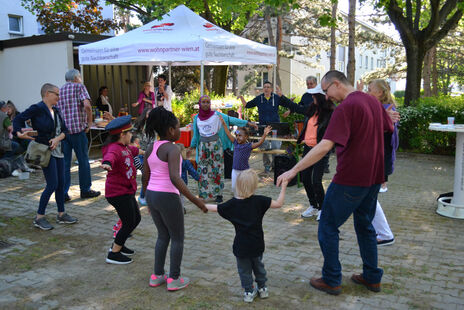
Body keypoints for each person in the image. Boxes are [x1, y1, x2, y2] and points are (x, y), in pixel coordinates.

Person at [277, 70, 395, 295]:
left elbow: (323, 146)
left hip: (350, 179)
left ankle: (331, 279)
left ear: (336, 84)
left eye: (326, 90)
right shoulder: (372, 101)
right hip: (373, 178)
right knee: (365, 226)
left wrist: (293, 170)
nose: (327, 96)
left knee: (328, 226)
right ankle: (372, 277)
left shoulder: (347, 107)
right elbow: (388, 128)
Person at [143, 107, 208, 291]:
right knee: (177, 237)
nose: (180, 131)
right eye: (179, 128)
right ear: (171, 130)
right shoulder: (172, 149)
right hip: (168, 196)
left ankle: (157, 275)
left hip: (152, 195)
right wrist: (196, 201)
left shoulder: (150, 147)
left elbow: (144, 176)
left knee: (163, 235)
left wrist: (147, 199)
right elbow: (174, 177)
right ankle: (174, 278)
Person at [205, 169, 289, 303]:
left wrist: (200, 204)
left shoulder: (232, 204)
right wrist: (284, 186)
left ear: (238, 184)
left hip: (241, 246)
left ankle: (249, 292)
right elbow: (279, 204)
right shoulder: (259, 201)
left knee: (244, 270)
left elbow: (215, 208)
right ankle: (263, 288)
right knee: (259, 266)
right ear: (254, 186)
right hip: (257, 243)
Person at [13, 83, 78, 230]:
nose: (59, 97)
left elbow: (65, 131)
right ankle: (39, 217)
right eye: (57, 94)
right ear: (47, 94)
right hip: (45, 151)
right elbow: (17, 119)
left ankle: (61, 214)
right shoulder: (37, 108)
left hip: (58, 151)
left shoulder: (56, 110)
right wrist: (18, 133)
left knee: (61, 184)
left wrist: (57, 139)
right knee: (52, 184)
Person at [276, 84, 335, 220]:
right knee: (306, 177)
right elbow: (297, 108)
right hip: (308, 148)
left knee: (316, 180)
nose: (312, 97)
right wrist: (282, 97)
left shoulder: (331, 112)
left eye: (314, 95)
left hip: (320, 149)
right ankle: (313, 206)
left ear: (320, 97)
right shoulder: (312, 108)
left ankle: (322, 208)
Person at [190, 95, 257, 203]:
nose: (206, 104)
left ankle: (218, 194)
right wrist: (192, 146)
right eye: (204, 102)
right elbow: (196, 135)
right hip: (203, 147)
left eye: (208, 102)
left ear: (210, 104)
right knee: (202, 170)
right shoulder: (196, 118)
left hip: (216, 146)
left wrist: (248, 123)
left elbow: (232, 120)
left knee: (217, 169)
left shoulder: (217, 115)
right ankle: (203, 194)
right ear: (200, 104)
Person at [101, 115, 141, 264]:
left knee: (135, 219)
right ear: (122, 134)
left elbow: (134, 151)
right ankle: (114, 253)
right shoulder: (114, 149)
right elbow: (110, 156)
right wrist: (106, 163)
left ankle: (120, 243)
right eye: (130, 133)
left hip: (127, 190)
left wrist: (147, 151)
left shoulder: (124, 147)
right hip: (117, 193)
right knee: (129, 222)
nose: (132, 135)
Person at [365, 79, 399, 246]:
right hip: (376, 160)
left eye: (370, 89)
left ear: (379, 92)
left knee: (369, 198)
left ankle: (385, 234)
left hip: (377, 161)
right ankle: (382, 233)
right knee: (368, 198)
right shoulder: (382, 109)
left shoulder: (387, 110)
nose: (367, 91)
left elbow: (385, 140)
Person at [58, 69, 101, 202]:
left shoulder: (60, 90)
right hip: (78, 131)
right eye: (80, 77)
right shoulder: (79, 87)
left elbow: (57, 110)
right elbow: (87, 106)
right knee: (83, 160)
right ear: (76, 77)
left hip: (64, 133)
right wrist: (89, 123)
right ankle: (85, 190)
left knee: (65, 163)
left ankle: (63, 192)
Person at [239, 81, 292, 172]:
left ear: (271, 89)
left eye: (268, 87)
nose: (266, 89)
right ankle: (267, 165)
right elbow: (246, 105)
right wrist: (241, 97)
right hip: (263, 127)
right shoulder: (259, 98)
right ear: (263, 89)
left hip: (275, 126)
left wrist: (289, 110)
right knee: (264, 146)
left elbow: (288, 103)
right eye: (265, 87)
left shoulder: (276, 97)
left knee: (276, 146)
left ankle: (275, 165)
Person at [219, 115, 272, 196]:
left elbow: (259, 143)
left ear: (246, 137)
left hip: (244, 172)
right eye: (237, 136)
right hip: (235, 170)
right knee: (234, 188)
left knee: (244, 188)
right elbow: (228, 133)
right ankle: (237, 200)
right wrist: (224, 124)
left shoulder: (248, 146)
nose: (238, 137)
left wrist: (264, 134)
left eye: (240, 135)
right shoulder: (235, 143)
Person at [176, 143, 200, 214]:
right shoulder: (185, 161)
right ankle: (181, 208)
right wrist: (198, 178)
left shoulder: (170, 161)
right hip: (183, 182)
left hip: (172, 182)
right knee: (181, 196)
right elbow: (191, 171)